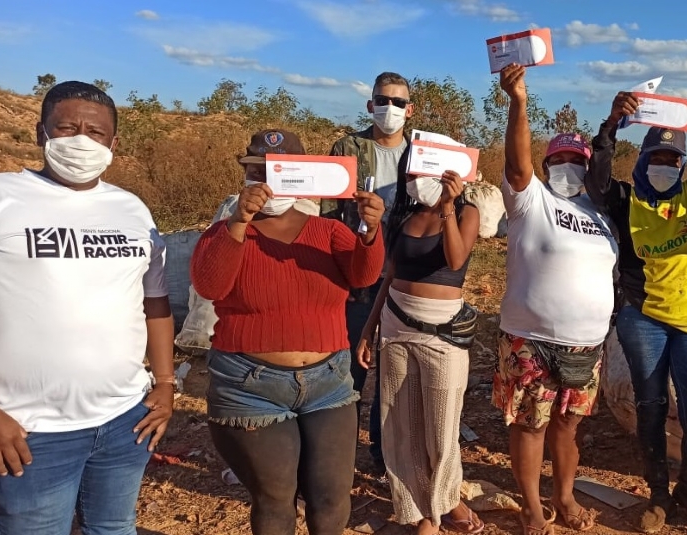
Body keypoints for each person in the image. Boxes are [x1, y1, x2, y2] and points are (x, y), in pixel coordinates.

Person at [0, 81, 174, 534]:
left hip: (125, 422)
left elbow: (155, 303)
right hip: (28, 431)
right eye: (66, 127)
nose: (80, 140)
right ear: (41, 134)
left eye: (94, 131)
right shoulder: (0, 198)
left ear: (113, 143)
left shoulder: (132, 210)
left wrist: (167, 383)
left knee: (113, 528)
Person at [190, 129, 385, 535]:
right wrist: (238, 223)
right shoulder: (224, 234)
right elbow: (210, 285)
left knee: (331, 498)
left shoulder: (327, 232)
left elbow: (363, 276)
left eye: (279, 171)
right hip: (249, 386)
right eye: (257, 170)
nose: (266, 181)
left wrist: (371, 232)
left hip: (328, 382)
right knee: (276, 500)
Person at [585, 88, 687, 533]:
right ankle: (657, 495)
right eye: (656, 156)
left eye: (673, 160)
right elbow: (595, 179)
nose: (664, 166)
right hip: (642, 321)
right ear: (642, 158)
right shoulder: (624, 199)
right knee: (650, 408)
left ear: (684, 165)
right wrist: (612, 124)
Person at [491, 63, 619, 535]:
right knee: (530, 425)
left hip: (586, 345)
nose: (569, 168)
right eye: (559, 161)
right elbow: (516, 163)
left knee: (567, 426)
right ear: (546, 167)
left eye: (577, 162)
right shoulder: (531, 200)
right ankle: (531, 507)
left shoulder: (602, 217)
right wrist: (518, 102)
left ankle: (564, 497)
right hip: (531, 339)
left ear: (588, 168)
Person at [356, 168, 482, 535]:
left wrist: (447, 205)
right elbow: (390, 274)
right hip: (396, 325)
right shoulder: (405, 213)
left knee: (441, 429)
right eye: (415, 171)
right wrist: (369, 328)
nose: (419, 177)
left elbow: (456, 260)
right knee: (401, 424)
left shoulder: (465, 212)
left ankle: (446, 501)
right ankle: (420, 513)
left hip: (441, 332)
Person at [325, 71, 414, 473]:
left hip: (403, 278)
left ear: (409, 110)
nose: (390, 109)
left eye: (398, 102)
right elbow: (329, 214)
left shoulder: (421, 154)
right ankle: (339, 455)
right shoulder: (347, 148)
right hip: (356, 276)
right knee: (351, 368)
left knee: (393, 372)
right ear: (370, 104)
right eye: (383, 100)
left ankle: (383, 453)